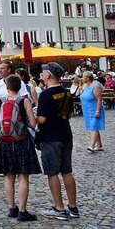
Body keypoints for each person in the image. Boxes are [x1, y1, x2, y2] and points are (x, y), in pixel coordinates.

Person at [0, 74, 40, 222]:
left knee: (8, 175)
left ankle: (12, 208)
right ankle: (23, 211)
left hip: (5, 142)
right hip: (22, 141)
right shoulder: (23, 101)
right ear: (20, 87)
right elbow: (32, 123)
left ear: (7, 87)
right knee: (23, 175)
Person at [37, 62, 78, 220]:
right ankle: (73, 207)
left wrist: (31, 116)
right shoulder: (66, 92)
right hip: (66, 134)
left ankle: (59, 208)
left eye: (43, 72)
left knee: (52, 172)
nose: (41, 75)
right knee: (67, 171)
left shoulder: (46, 94)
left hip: (50, 137)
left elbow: (42, 119)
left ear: (48, 75)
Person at [0, 61, 31, 177]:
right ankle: (1, 165)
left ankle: (16, 166)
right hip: (2, 118)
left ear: (9, 70)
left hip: (17, 118)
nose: (0, 70)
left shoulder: (19, 82)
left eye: (2, 68)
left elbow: (25, 97)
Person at [79, 71, 105, 152]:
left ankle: (91, 145)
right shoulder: (85, 87)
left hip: (95, 109)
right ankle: (99, 144)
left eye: (83, 77)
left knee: (94, 126)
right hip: (87, 110)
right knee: (93, 127)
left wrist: (98, 110)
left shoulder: (95, 87)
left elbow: (99, 99)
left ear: (87, 78)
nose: (82, 78)